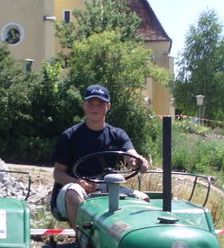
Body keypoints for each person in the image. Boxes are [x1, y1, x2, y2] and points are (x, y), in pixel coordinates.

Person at [51, 85, 150, 228]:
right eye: (90, 103)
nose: (94, 108)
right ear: (84, 105)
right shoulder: (70, 136)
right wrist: (79, 182)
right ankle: (81, 242)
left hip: (108, 186)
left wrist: (139, 161)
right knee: (73, 194)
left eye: (100, 104)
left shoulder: (117, 134)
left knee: (143, 199)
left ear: (108, 106)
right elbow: (58, 173)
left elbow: (131, 156)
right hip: (76, 186)